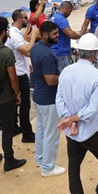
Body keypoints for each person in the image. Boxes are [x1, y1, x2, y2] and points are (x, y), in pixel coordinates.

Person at [55, 34, 98, 194]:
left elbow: (59, 100)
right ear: (95, 54)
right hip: (91, 131)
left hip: (72, 132)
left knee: (74, 164)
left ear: (78, 51)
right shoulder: (97, 76)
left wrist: (69, 120)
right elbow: (91, 110)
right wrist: (73, 120)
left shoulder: (66, 71)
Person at [0, 16, 26, 172]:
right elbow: (13, 77)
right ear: (3, 32)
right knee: (7, 128)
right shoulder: (6, 52)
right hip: (5, 98)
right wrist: (17, 93)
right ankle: (9, 160)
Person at [30, 20, 65, 177]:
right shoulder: (48, 55)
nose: (58, 36)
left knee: (41, 129)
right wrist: (63, 76)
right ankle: (48, 167)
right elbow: (51, 80)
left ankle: (40, 158)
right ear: (44, 34)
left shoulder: (35, 48)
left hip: (38, 96)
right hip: (49, 99)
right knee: (52, 134)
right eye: (55, 34)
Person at [6, 9, 38, 143]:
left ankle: (15, 128)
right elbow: (26, 51)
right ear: (19, 19)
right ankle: (27, 133)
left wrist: (27, 64)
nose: (28, 20)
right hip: (19, 75)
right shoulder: (14, 35)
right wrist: (34, 36)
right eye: (25, 18)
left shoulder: (14, 33)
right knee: (25, 105)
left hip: (19, 70)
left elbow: (19, 53)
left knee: (16, 104)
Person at [50, 1, 82, 72]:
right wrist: (81, 36)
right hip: (61, 53)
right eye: (70, 11)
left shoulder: (54, 17)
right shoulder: (62, 19)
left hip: (54, 50)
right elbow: (71, 34)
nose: (70, 14)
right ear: (67, 8)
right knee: (64, 75)